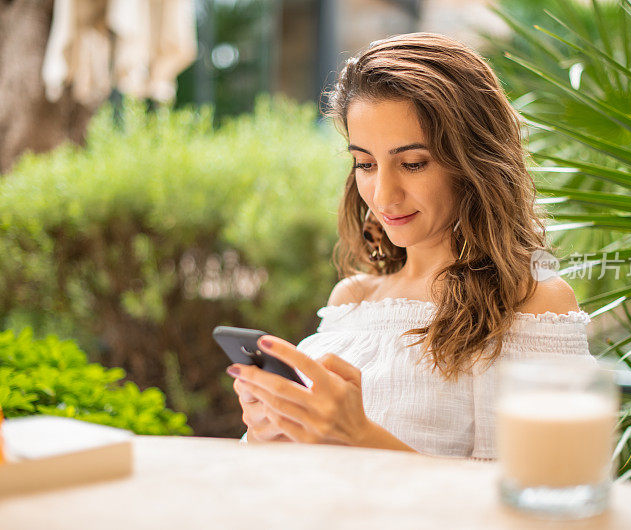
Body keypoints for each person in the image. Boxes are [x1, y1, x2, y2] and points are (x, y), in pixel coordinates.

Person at [225, 32, 593, 459]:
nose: (383, 195)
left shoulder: (531, 305)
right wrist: (267, 431)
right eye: (365, 163)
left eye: (413, 163)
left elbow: (539, 494)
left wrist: (358, 435)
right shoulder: (353, 299)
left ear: (475, 163)